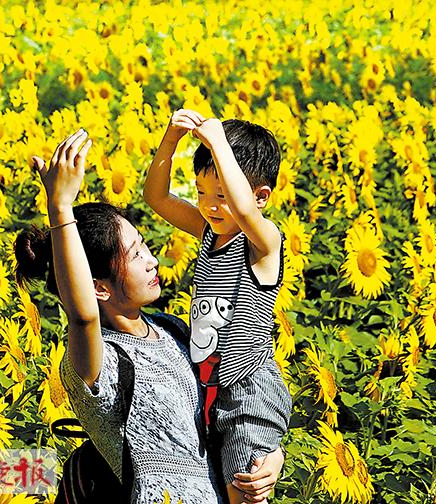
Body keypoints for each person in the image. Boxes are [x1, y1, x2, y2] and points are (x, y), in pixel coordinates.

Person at [14, 129, 283, 504]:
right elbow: (83, 318)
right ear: (99, 288)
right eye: (136, 255)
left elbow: (230, 412)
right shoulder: (99, 362)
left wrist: (269, 456)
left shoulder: (173, 331)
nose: (153, 260)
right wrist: (60, 210)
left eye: (145, 246)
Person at [144, 111, 292, 504]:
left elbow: (244, 212)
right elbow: (156, 197)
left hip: (249, 389)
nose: (209, 206)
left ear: (260, 196)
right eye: (202, 192)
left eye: (221, 195)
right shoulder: (212, 231)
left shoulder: (264, 242)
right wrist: (171, 140)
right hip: (207, 383)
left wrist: (219, 144)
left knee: (246, 491)